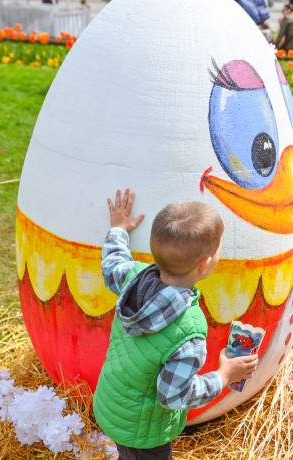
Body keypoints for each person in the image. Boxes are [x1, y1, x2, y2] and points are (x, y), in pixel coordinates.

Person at [92, 189, 258, 460]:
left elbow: (113, 265)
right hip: (145, 434)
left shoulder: (135, 278)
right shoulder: (189, 332)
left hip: (112, 403)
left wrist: (118, 230)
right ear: (205, 264)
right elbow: (172, 395)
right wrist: (224, 376)